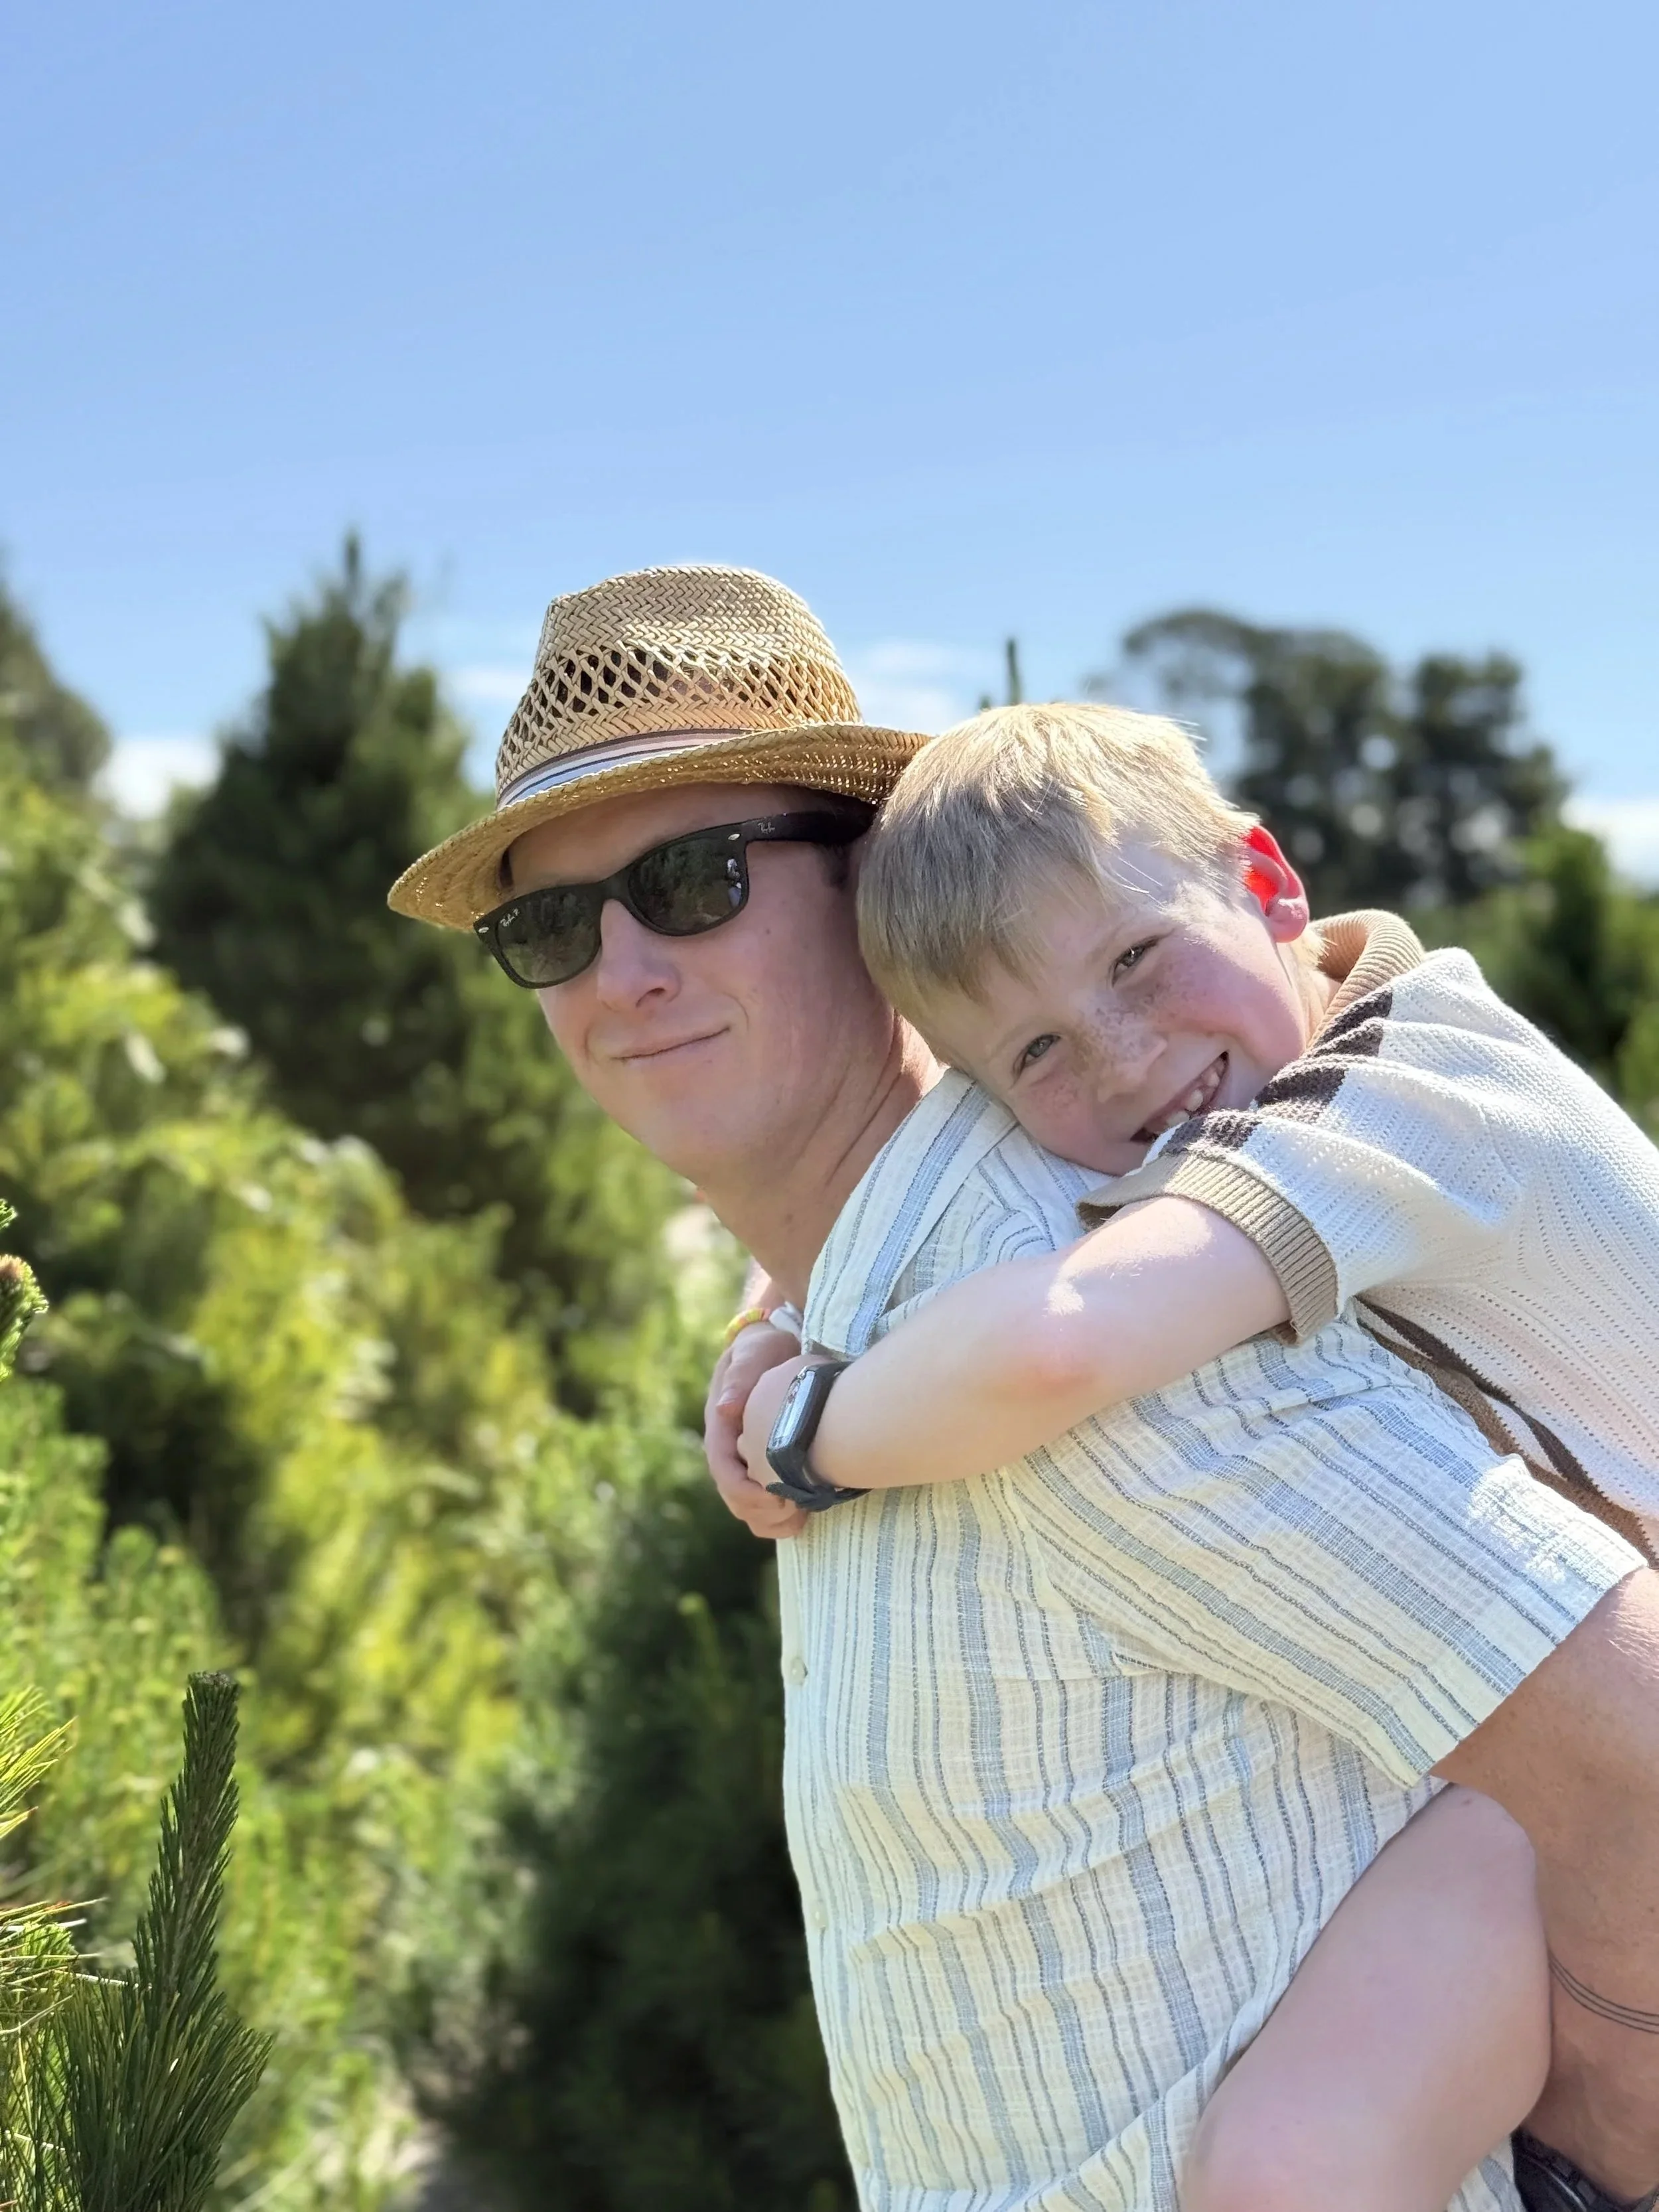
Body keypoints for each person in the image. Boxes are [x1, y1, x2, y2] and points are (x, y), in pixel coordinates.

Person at [389, 564, 1659, 2212]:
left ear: (869, 896)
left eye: (693, 882)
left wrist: (1608, 2156)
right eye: (549, 927)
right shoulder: (896, 1290)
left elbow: (1633, 1746)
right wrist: (779, 1337)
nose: (619, 970)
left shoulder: (1105, 1307)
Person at [720, 698, 1659, 2211]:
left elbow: (1061, 1341)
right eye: (1035, 1051)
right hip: (1592, 1718)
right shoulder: (1301, 1072)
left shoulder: (1405, 1095)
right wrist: (774, 1310)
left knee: (1294, 2167)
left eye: (1137, 961)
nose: (1123, 1061)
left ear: (1267, 880)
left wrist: (805, 1434)